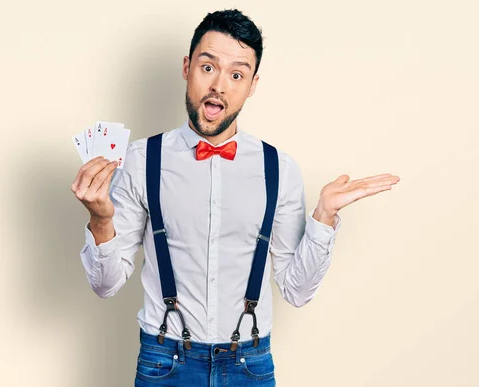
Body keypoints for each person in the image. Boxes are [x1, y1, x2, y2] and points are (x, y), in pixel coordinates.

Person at [71, 8, 400, 387]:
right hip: (165, 363)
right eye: (208, 67)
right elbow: (106, 284)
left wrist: (324, 217)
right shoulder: (142, 160)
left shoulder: (280, 168)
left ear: (252, 84)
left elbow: (296, 290)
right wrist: (101, 220)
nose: (219, 86)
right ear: (186, 67)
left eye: (237, 74)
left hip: (249, 365)